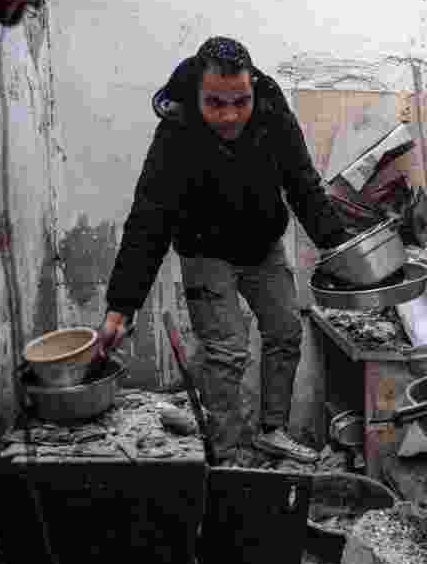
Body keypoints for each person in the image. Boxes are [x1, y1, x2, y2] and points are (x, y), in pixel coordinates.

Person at [97, 36, 351, 465]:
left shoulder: (272, 112)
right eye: (215, 103)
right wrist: (121, 306)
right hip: (204, 250)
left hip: (262, 246)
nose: (230, 115)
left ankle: (271, 431)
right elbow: (149, 218)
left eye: (240, 102)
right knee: (227, 350)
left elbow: (303, 185)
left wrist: (341, 250)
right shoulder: (176, 130)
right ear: (197, 94)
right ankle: (227, 452)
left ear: (253, 89)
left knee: (285, 333)